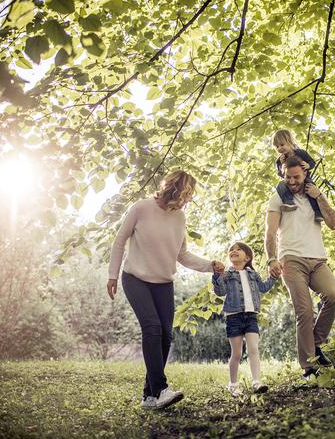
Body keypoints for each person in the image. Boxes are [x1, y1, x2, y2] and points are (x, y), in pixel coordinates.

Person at [106, 170, 224, 409]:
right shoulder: (141, 208)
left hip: (163, 282)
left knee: (166, 335)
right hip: (135, 278)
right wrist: (112, 275)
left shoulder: (179, 217)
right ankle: (161, 389)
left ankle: (149, 396)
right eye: (187, 193)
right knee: (152, 328)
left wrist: (210, 265)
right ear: (174, 188)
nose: (189, 199)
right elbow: (120, 241)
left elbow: (182, 255)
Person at [264, 155, 335, 378]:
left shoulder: (314, 196)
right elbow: (270, 232)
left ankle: (315, 344)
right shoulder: (278, 197)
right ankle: (309, 367)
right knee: (304, 310)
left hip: (317, 259)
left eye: (296, 177)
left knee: (334, 296)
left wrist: (320, 197)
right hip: (291, 258)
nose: (292, 181)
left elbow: (334, 224)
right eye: (288, 177)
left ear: (305, 174)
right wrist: (271, 259)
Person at [212, 242, 276, 396]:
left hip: (251, 316)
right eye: (231, 250)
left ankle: (256, 382)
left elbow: (263, 288)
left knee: (254, 349)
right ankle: (233, 384)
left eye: (238, 249)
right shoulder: (227, 275)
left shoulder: (253, 274)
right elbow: (220, 292)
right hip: (234, 317)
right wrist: (217, 275)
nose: (234, 251)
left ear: (247, 257)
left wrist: (273, 277)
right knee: (237, 354)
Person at [272, 129, 323, 221]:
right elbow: (280, 174)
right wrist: (282, 165)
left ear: (290, 142)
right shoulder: (279, 160)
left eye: (282, 145)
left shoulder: (300, 153)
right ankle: (289, 202)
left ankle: (318, 212)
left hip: (305, 178)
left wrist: (308, 165)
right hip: (289, 181)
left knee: (311, 189)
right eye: (277, 147)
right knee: (281, 185)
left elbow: (312, 162)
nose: (279, 148)